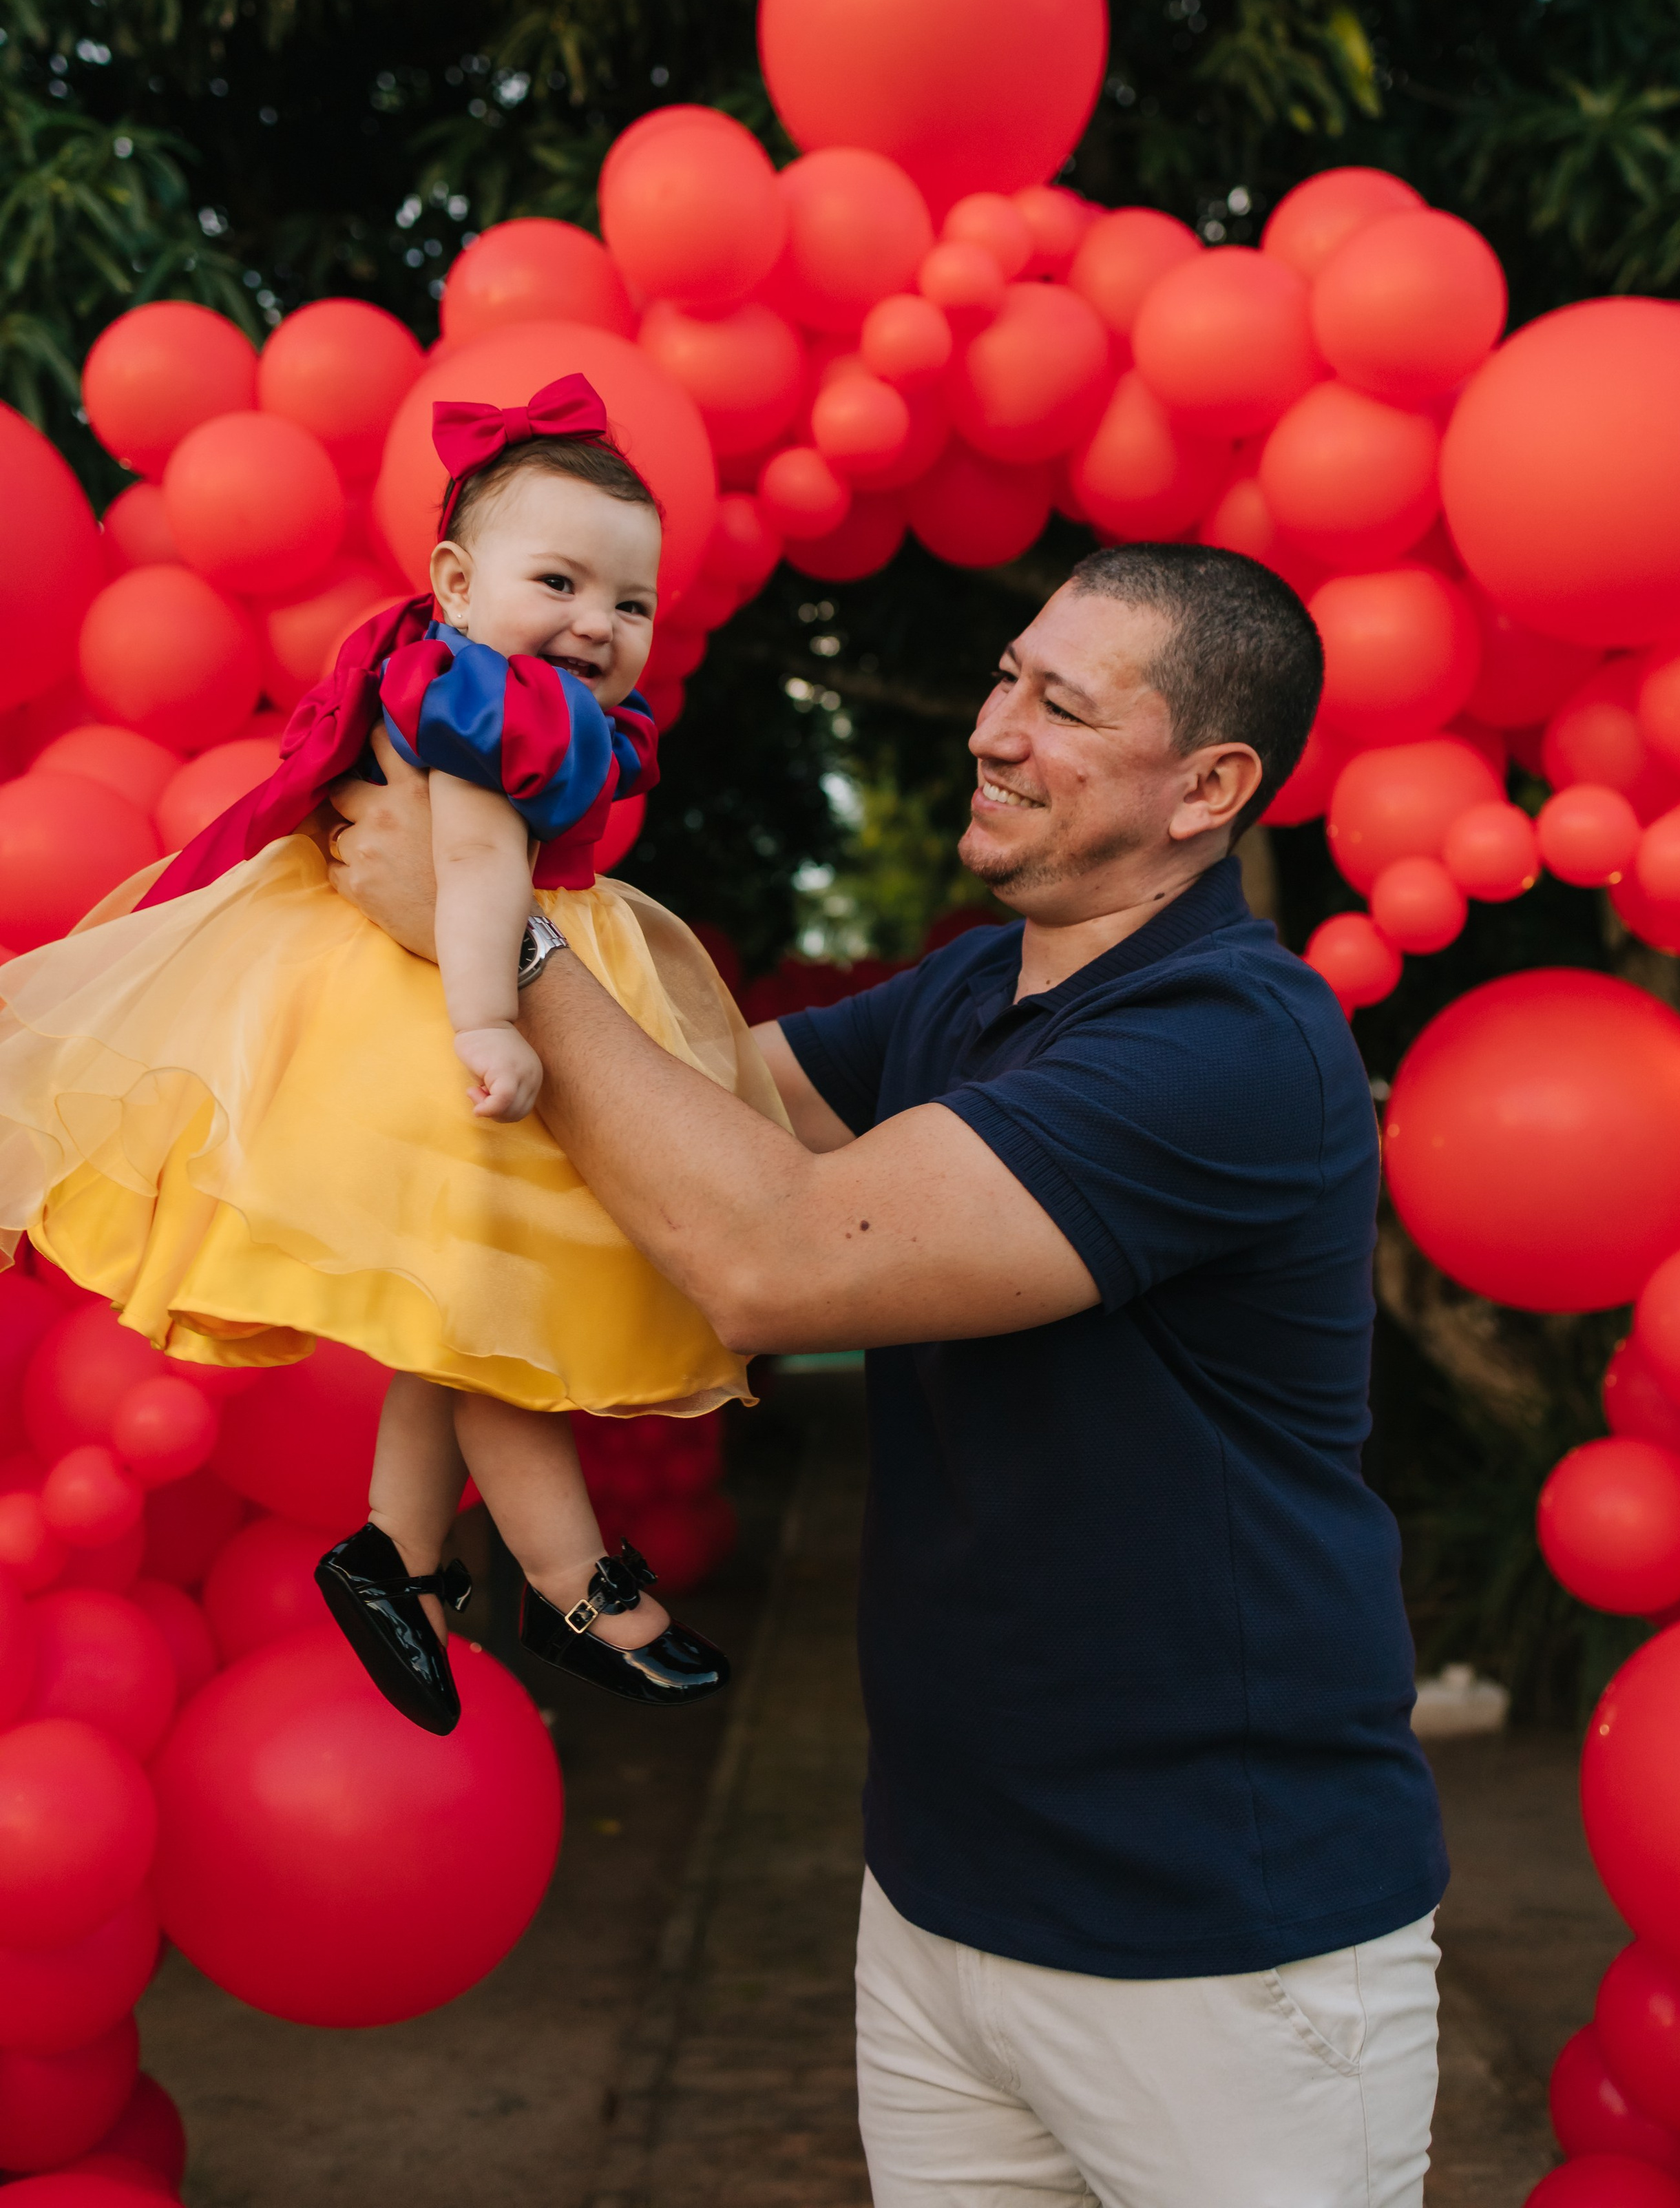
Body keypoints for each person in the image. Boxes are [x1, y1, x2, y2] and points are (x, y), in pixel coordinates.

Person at [325, 535, 1449, 2207]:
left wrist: (504, 950)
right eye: (1004, 678)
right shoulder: (978, 986)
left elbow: (771, 1254)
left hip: (1221, 1942)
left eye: (1062, 707)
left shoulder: (1230, 1039)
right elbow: (672, 1114)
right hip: (940, 1901)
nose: (993, 730)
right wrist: (468, 874)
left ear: (1209, 787)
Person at [0, 375, 784, 1735]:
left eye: (633, 603)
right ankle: (570, 1585)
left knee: (460, 1308)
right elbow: (470, 871)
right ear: (457, 585)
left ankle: (398, 1557)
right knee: (501, 1318)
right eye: (559, 583)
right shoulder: (484, 701)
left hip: (477, 979)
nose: (598, 623)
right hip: (446, 998)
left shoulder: (485, 678)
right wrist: (491, 1027)